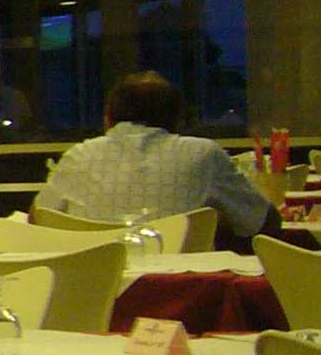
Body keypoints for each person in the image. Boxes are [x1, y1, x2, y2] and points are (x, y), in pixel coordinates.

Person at [35, 71, 276, 246]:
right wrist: (215, 224)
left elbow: (38, 220)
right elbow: (263, 222)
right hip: (184, 289)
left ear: (108, 117)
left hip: (95, 287)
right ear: (177, 119)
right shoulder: (203, 154)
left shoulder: (79, 155)